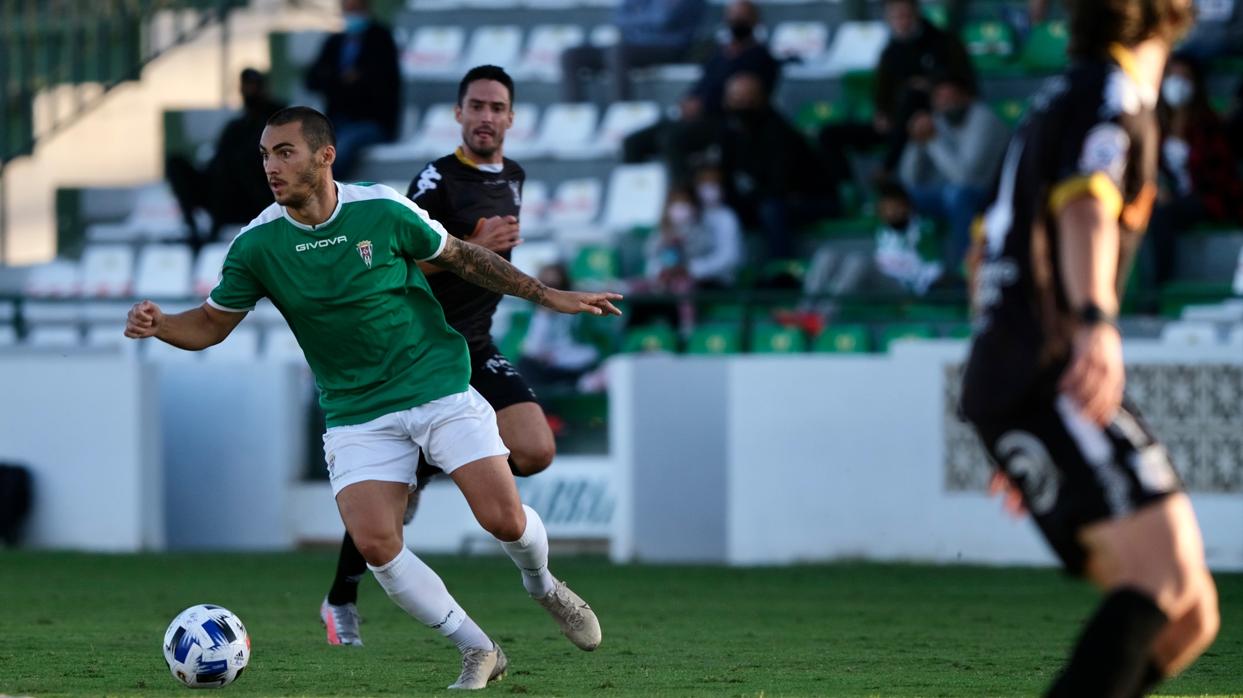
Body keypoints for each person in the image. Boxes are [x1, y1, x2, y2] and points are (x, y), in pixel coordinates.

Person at [124, 106, 617, 690]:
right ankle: (478, 649)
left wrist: (547, 294)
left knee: (503, 520)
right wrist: (161, 324)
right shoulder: (258, 245)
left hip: (435, 384)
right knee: (378, 545)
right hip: (356, 412)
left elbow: (463, 257)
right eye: (265, 155)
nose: (271, 167)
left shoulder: (381, 208)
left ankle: (543, 585)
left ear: (324, 156)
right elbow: (210, 324)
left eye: (285, 152)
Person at [961, 1, 1218, 696]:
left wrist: (1013, 421)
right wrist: (1092, 319)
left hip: (1026, 379)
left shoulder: (1061, 98)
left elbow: (983, 250)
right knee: (1159, 579)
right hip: (1043, 372)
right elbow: (1084, 207)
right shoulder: (1108, 93)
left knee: (1190, 615)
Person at [317, 65, 561, 647]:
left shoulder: (515, 176)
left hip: (475, 344)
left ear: (511, 117)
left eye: (496, 107)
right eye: (475, 106)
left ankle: (432, 461)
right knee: (389, 510)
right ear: (458, 113)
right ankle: (341, 597)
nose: (485, 117)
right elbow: (395, 262)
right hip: (421, 351)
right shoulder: (434, 182)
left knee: (535, 449)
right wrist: (474, 245)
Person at [621, 0, 780, 182]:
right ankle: (637, 193)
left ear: (755, 20)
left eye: (742, 17)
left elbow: (749, 100)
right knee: (634, 142)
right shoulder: (719, 54)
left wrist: (703, 106)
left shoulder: (761, 57)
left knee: (672, 139)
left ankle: (682, 197)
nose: (736, 21)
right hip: (693, 116)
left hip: (723, 121)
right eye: (733, 16)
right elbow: (701, 85)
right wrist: (687, 101)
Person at [1144, 53, 1243, 289]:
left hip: (1208, 200)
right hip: (1169, 199)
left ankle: (1160, 288)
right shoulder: (1155, 125)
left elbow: (1219, 177)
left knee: (1164, 216)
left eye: (1184, 77)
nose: (1177, 82)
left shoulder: (1208, 125)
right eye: (1172, 75)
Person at [897, 71, 1009, 276]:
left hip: (988, 193)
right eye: (940, 99)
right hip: (949, 193)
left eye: (951, 97)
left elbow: (966, 178)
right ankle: (914, 271)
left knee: (958, 195)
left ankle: (966, 270)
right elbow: (908, 178)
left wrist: (932, 140)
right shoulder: (938, 120)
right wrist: (916, 140)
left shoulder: (984, 120)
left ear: (967, 96)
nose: (946, 104)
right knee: (902, 198)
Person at [718, 72, 837, 260]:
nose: (742, 104)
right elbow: (726, 176)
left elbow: (779, 184)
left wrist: (749, 197)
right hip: (765, 197)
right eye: (736, 98)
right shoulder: (731, 131)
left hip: (813, 198)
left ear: (761, 98)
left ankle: (780, 269)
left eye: (748, 98)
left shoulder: (778, 131)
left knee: (771, 209)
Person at [165, 68, 284, 251]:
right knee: (175, 163)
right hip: (222, 196)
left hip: (257, 198)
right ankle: (193, 229)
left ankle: (215, 230)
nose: (248, 91)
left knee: (233, 163)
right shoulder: (235, 126)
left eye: (253, 86)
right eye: (245, 86)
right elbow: (218, 160)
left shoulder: (279, 120)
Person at [305, 0, 401, 180]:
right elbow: (312, 80)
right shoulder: (335, 42)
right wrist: (342, 81)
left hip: (372, 122)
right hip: (337, 121)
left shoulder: (381, 39)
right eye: (347, 9)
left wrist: (340, 82)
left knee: (338, 151)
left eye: (356, 9)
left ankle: (326, 197)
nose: (351, 15)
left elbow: (380, 85)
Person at [560, 0, 706, 103]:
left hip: (669, 47)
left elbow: (663, 19)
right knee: (571, 55)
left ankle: (621, 111)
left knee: (617, 53)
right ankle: (575, 114)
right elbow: (619, 19)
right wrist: (645, 21)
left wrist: (637, 18)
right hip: (633, 44)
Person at [518, 263, 603, 393]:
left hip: (568, 362)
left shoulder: (577, 314)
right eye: (546, 287)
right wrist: (544, 316)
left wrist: (556, 357)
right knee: (526, 365)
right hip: (542, 367)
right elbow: (532, 348)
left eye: (555, 287)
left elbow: (591, 351)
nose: (551, 293)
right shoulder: (533, 315)